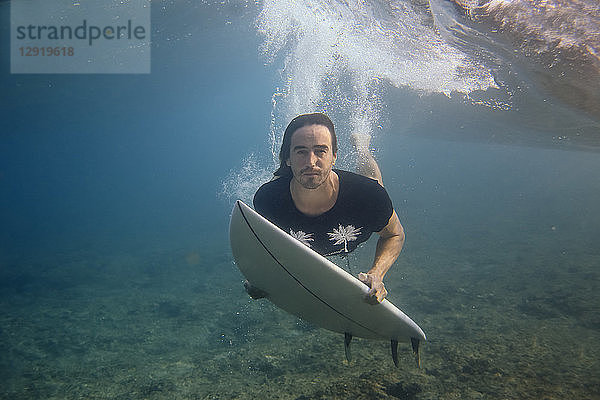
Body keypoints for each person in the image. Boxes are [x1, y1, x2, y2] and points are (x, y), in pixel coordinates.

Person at [250, 112, 405, 304]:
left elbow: (394, 235)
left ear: (334, 156)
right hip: (284, 186)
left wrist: (377, 273)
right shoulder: (268, 201)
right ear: (287, 159)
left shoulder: (368, 196)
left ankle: (362, 148)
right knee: (286, 182)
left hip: (361, 190)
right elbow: (270, 246)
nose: (311, 162)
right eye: (301, 151)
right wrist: (263, 276)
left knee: (374, 181)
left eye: (321, 151)